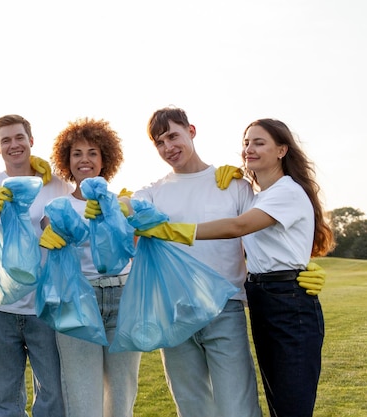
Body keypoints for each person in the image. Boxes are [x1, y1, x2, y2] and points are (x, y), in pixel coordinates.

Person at [138, 116, 334, 417]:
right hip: (255, 297)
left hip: (282, 298)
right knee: (277, 400)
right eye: (246, 143)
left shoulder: (281, 191)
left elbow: (238, 226)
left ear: (282, 150)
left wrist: (173, 230)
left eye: (259, 142)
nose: (249, 149)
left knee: (287, 403)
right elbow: (271, 242)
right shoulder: (257, 194)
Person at [128, 107, 263, 417]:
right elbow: (131, 205)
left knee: (238, 408)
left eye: (173, 136)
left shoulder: (234, 185)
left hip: (224, 309)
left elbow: (261, 238)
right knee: (192, 408)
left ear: (191, 130)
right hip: (174, 312)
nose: (168, 148)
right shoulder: (154, 191)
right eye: (159, 143)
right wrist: (120, 203)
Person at [39, 117, 141, 417]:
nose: (85, 160)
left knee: (121, 398)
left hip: (122, 297)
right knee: (83, 399)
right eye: (77, 153)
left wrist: (121, 212)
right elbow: (49, 232)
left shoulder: (123, 203)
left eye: (92, 152)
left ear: (104, 159)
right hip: (77, 300)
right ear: (66, 161)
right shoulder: (58, 206)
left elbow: (134, 243)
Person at [0, 114, 71, 417]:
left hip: (45, 306)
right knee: (1, 394)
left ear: (31, 141)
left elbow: (68, 220)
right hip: (0, 306)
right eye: (6, 140)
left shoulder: (56, 185)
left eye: (19, 138)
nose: (13, 145)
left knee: (54, 391)